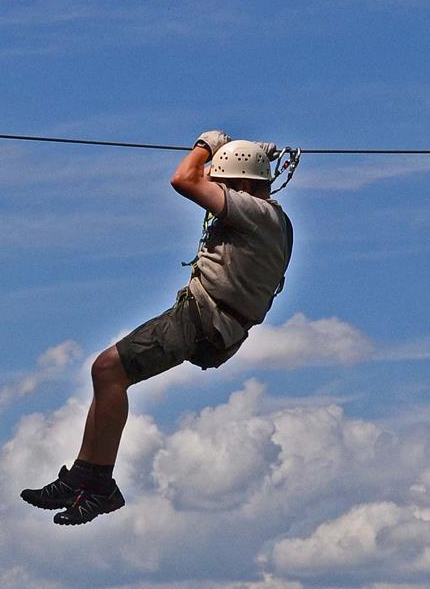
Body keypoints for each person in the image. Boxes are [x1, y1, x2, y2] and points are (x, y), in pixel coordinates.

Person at [22, 130, 293, 526]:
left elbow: (184, 179)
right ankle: (86, 476)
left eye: (225, 186)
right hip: (216, 324)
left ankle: (98, 485)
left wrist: (205, 146)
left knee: (108, 369)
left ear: (244, 186)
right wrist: (243, 157)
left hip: (203, 318)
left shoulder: (257, 213)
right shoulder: (273, 219)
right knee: (107, 373)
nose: (217, 195)